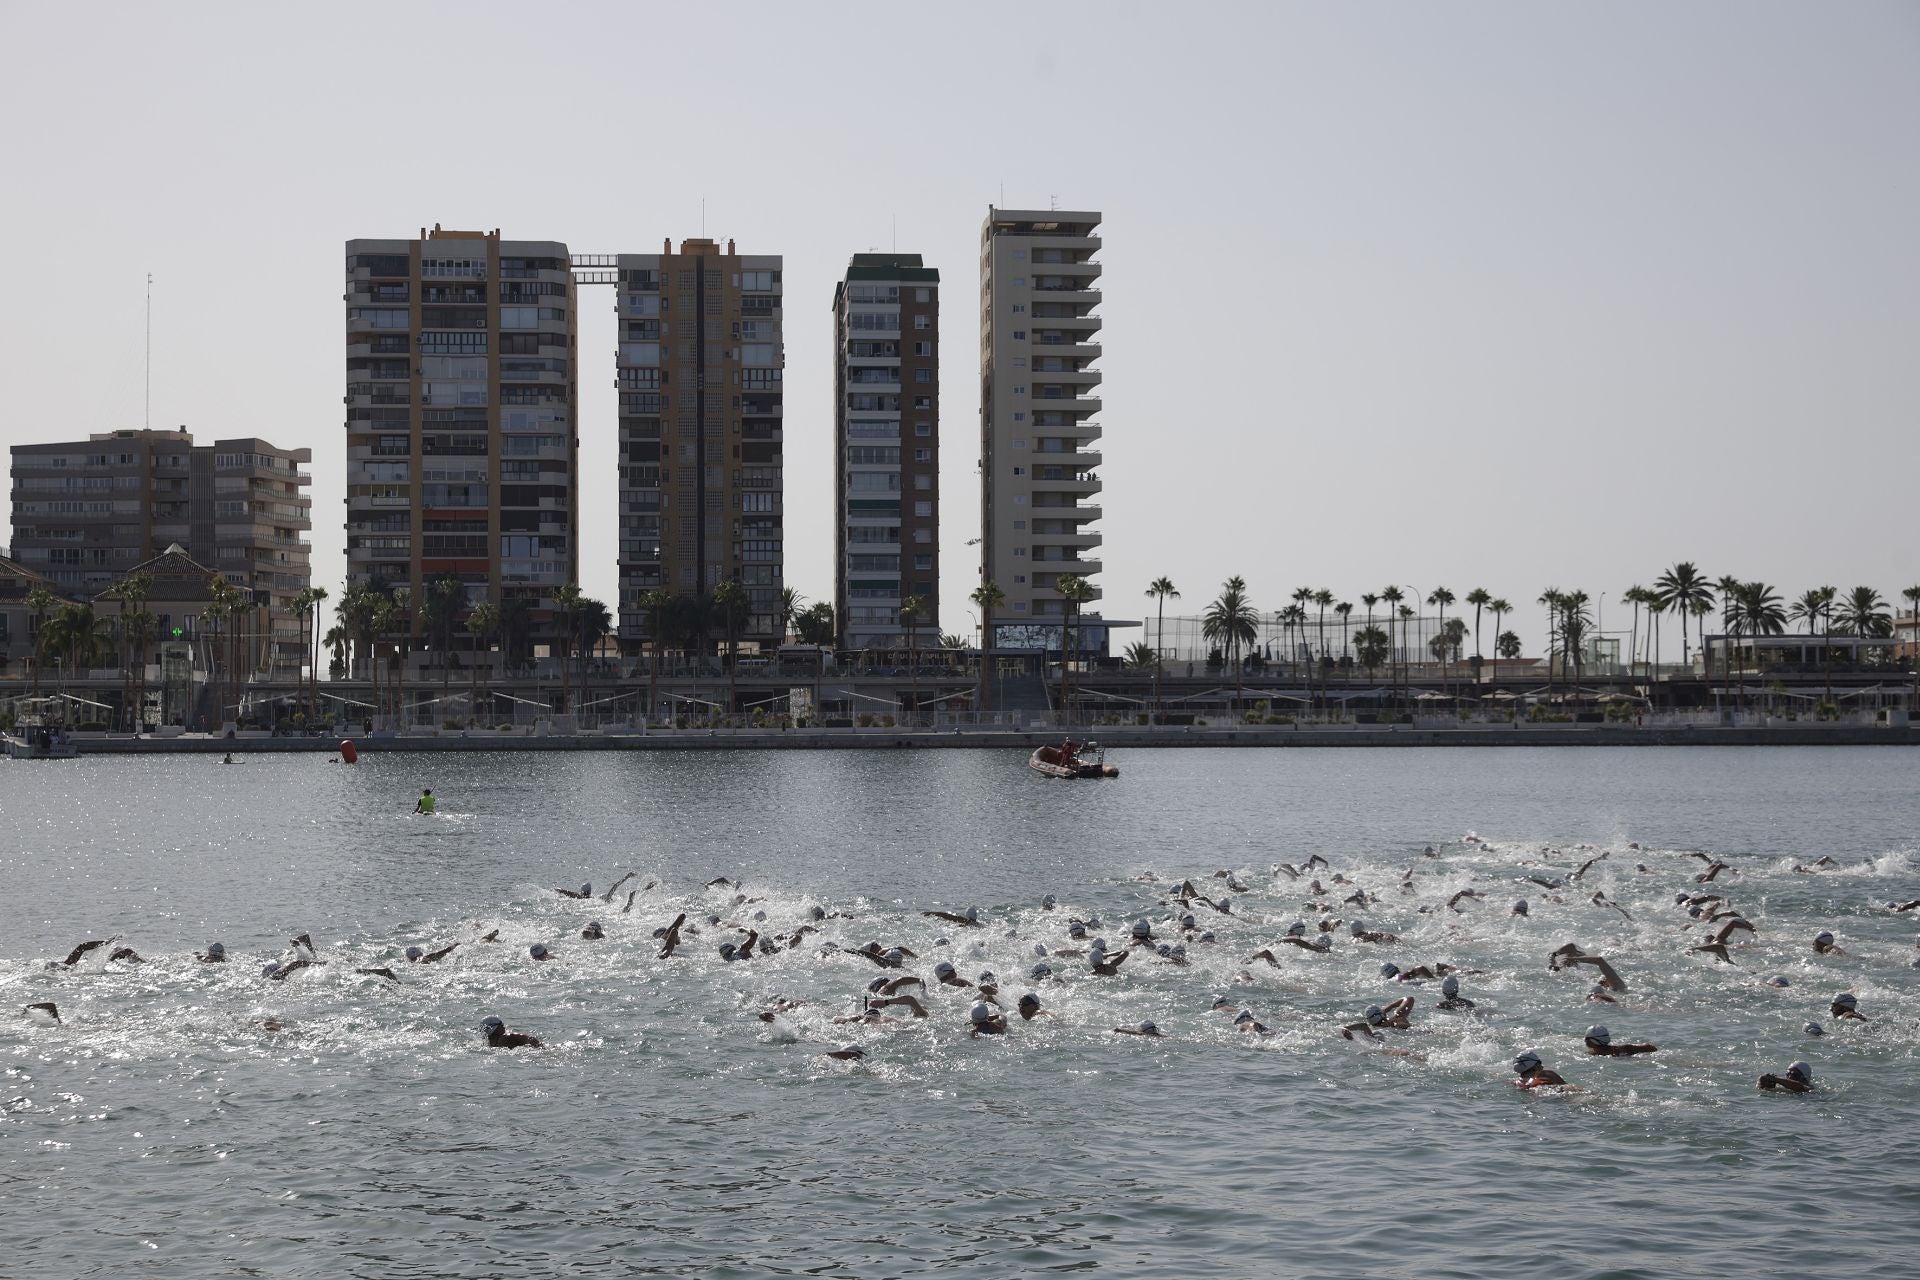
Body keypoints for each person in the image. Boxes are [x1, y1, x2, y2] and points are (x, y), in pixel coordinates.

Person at [1583, 1025, 1656, 1056]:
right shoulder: (1621, 1049)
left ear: (1591, 1041)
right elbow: (1650, 1047)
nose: (1585, 1040)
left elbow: (1649, 1047)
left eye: (1586, 1038)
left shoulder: (1593, 1055)